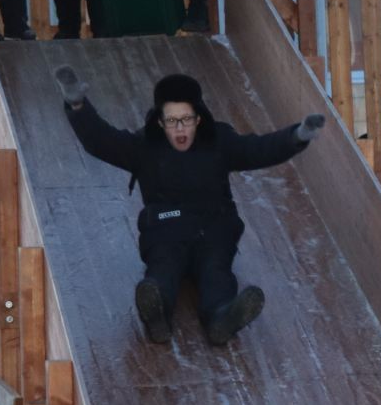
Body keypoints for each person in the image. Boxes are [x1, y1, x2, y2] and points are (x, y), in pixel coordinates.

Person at [49, 65, 325, 346]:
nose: (180, 129)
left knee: (216, 271)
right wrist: (78, 105)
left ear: (198, 119)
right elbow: (101, 141)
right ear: (160, 122)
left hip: (213, 228)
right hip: (167, 226)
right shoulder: (145, 146)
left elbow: (259, 149)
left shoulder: (218, 141)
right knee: (164, 268)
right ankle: (156, 310)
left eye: (186, 120)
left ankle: (222, 318)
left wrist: (297, 136)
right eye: (172, 121)